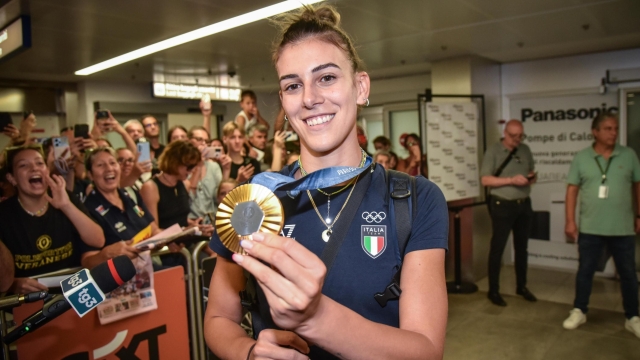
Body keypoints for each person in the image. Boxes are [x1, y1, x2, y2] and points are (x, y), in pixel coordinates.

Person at [204, 5, 448, 359]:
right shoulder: (256, 198)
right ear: (284, 101)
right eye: (292, 85)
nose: (309, 98)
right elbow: (218, 316)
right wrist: (248, 351)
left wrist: (314, 317)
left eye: (327, 77)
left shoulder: (415, 198)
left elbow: (425, 351)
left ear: (361, 87)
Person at [562, 113, 640, 337]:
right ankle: (579, 310)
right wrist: (569, 221)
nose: (613, 133)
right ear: (595, 132)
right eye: (607, 128)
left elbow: (637, 186)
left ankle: (632, 316)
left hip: (622, 227)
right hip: (590, 227)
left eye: (615, 128)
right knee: (585, 271)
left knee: (627, 273)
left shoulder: (629, 155)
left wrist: (639, 215)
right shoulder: (582, 158)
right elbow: (572, 190)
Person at [0, 145, 105, 293]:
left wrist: (66, 205)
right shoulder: (4, 214)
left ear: (47, 171)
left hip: (77, 291)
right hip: (29, 302)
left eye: (39, 163)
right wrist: (14, 284)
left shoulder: (66, 198)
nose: (34, 168)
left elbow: (98, 240)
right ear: (12, 178)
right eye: (24, 165)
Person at [480, 119, 537, 306]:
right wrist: (511, 179)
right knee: (498, 248)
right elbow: (486, 180)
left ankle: (522, 286)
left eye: (520, 136)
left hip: (523, 204)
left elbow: (530, 171)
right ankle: (493, 290)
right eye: (513, 136)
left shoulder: (525, 149)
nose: (517, 140)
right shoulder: (494, 151)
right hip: (502, 204)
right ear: (505, 133)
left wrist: (530, 178)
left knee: (522, 248)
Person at [80, 147, 159, 269]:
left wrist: (177, 236)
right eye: (100, 165)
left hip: (148, 269)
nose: (109, 168)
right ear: (90, 175)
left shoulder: (130, 193)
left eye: (112, 163)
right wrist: (106, 254)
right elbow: (87, 261)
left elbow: (154, 230)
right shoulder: (87, 210)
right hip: (119, 281)